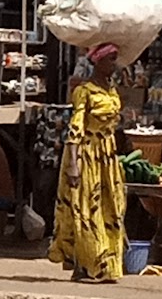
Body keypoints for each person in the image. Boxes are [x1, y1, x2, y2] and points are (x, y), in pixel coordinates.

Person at [49, 43, 126, 283]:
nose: (114, 64)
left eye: (115, 58)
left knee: (109, 207)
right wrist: (73, 164)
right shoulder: (85, 91)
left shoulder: (111, 90)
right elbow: (76, 128)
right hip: (87, 153)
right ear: (98, 61)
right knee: (86, 208)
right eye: (110, 59)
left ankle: (105, 264)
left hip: (107, 155)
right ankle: (90, 264)